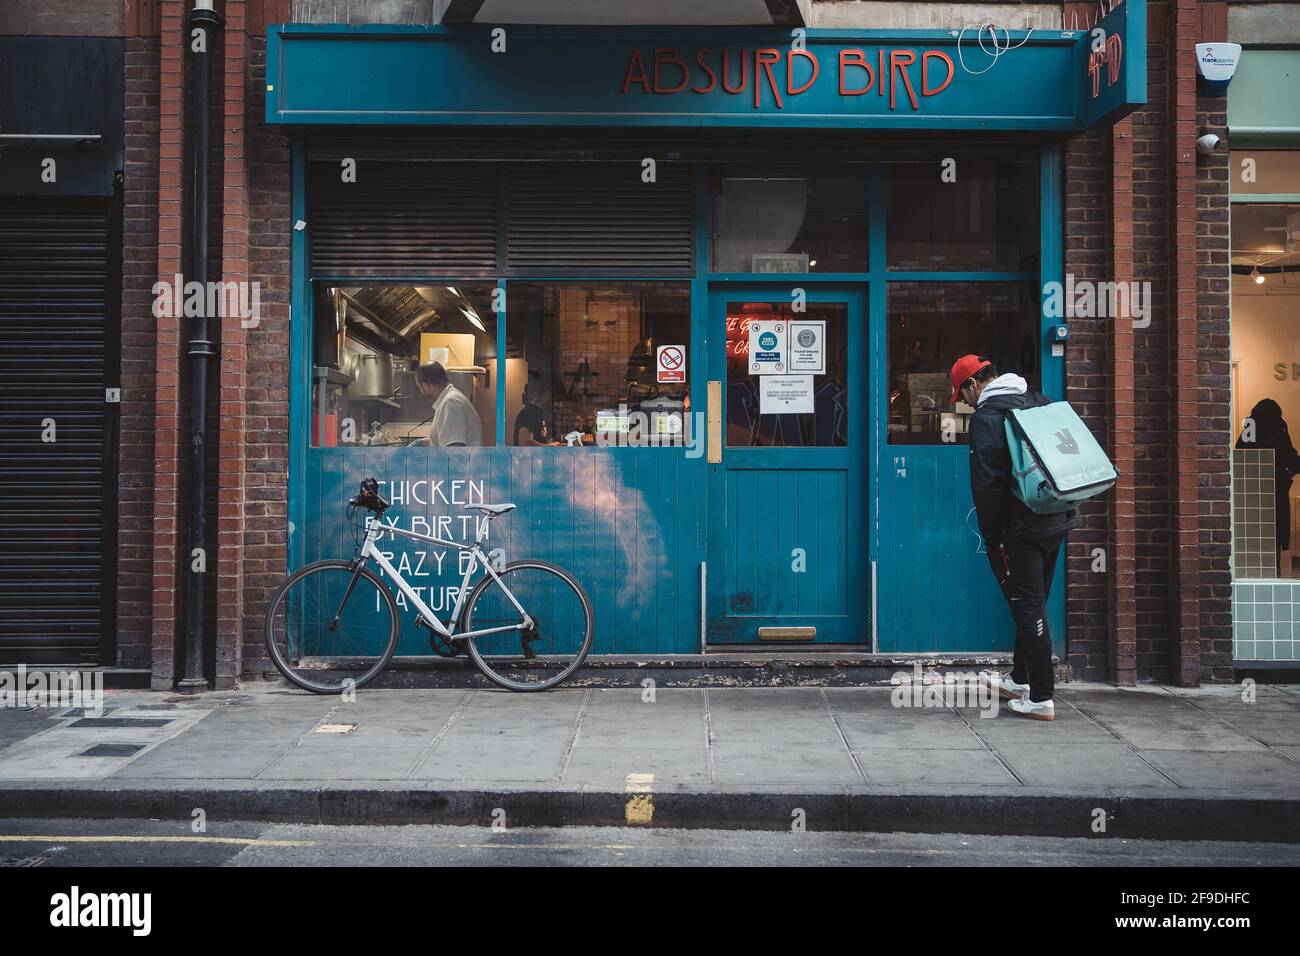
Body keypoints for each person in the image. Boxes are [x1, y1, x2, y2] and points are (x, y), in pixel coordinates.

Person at [949, 354, 1079, 721]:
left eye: (962, 393)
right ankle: (1021, 679)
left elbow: (987, 483)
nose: (964, 401)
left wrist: (992, 536)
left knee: (1028, 607)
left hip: (1018, 530)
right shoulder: (1037, 399)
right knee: (1033, 602)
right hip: (1055, 519)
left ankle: (1040, 696)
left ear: (974, 383)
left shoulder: (987, 419)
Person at [1236, 398, 1300, 568]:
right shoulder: (1278, 427)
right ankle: (1275, 572)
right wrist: (1289, 470)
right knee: (1275, 541)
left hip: (1251, 497)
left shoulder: (1250, 428)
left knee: (1255, 544)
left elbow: (1242, 457)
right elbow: (1289, 455)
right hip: (1275, 493)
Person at [415, 361, 482, 447]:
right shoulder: (449, 400)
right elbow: (447, 438)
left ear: (426, 386)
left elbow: (454, 448)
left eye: (419, 387)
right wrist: (423, 443)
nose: (421, 391)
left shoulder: (451, 403)